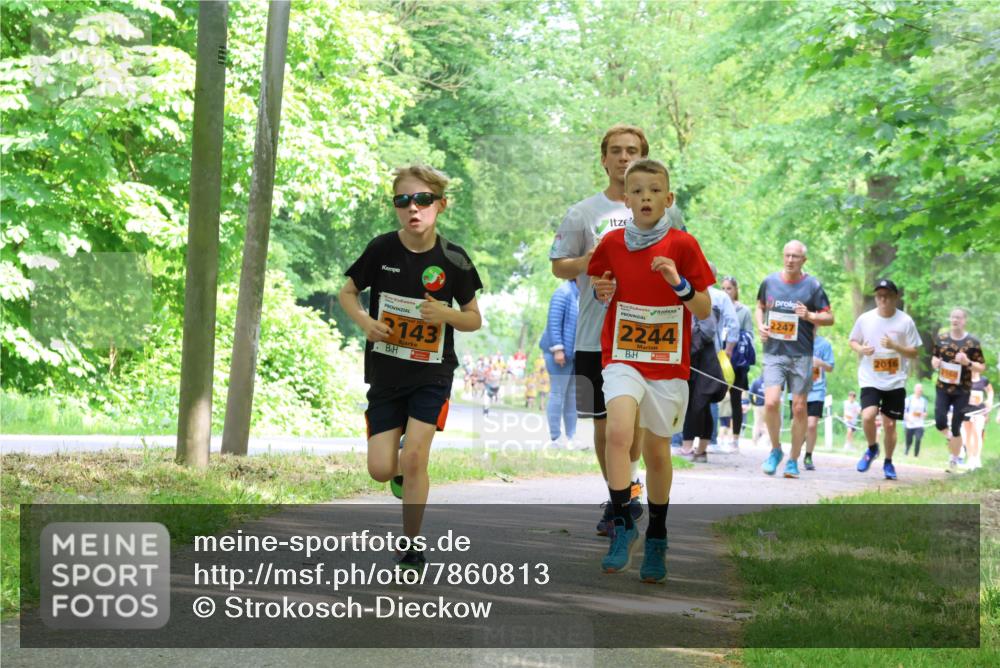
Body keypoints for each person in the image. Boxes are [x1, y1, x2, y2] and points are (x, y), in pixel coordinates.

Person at [338, 164, 482, 571]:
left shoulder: (454, 258)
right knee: (381, 469)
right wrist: (366, 322)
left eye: (422, 200)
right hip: (386, 375)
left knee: (416, 457)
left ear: (441, 204)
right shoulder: (382, 249)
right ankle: (399, 465)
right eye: (403, 201)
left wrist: (446, 314)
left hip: (431, 374)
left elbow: (474, 318)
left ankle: (412, 544)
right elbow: (347, 293)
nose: (412, 209)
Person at [550, 124, 683, 534]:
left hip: (649, 334)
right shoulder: (582, 213)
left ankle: (630, 484)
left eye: (632, 150)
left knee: (638, 429)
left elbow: (681, 262)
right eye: (616, 151)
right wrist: (591, 261)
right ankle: (617, 499)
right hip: (595, 332)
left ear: (642, 157)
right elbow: (558, 265)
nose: (624, 157)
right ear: (604, 159)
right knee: (605, 426)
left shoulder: (667, 210)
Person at [589, 158, 713, 580]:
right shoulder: (611, 243)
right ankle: (623, 522)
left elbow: (703, 307)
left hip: (667, 364)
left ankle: (657, 533)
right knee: (619, 432)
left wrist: (680, 283)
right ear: (626, 199)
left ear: (668, 198)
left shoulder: (683, 244)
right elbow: (598, 281)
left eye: (654, 190)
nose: (646, 197)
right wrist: (601, 287)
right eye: (637, 191)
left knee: (658, 452)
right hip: (622, 356)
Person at [755, 240, 834, 478]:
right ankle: (776, 449)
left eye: (795, 257)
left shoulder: (812, 286)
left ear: (803, 260)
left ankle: (793, 459)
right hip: (774, 352)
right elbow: (759, 307)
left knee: (799, 408)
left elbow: (829, 317)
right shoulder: (770, 282)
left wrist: (809, 315)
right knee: (770, 402)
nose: (790, 260)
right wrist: (761, 326)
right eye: (787, 255)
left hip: (801, 354)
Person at [848, 279, 922, 480]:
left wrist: (895, 346)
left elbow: (915, 352)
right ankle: (872, 448)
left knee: (890, 425)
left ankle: (888, 462)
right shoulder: (865, 319)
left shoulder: (905, 321)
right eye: (879, 295)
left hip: (895, 380)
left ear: (895, 297)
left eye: (887, 295)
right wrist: (861, 349)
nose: (883, 299)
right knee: (867, 416)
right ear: (875, 298)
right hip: (870, 378)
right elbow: (852, 340)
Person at [931, 308, 986, 472]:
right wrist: (935, 363)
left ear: (964, 320)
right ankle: (953, 441)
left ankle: (954, 459)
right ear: (950, 319)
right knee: (940, 421)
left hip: (963, 390)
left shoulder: (972, 343)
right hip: (943, 387)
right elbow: (934, 357)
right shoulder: (941, 339)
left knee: (956, 426)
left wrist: (968, 362)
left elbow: (981, 367)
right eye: (953, 317)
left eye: (959, 317)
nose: (955, 320)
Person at [539, 279, 579, 443]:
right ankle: (555, 438)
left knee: (572, 396)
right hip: (558, 353)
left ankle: (571, 437)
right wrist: (558, 349)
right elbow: (553, 322)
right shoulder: (563, 292)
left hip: (574, 354)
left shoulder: (582, 293)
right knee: (557, 393)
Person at [722, 276, 756, 452]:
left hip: (738, 360)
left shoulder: (744, 311)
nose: (726, 292)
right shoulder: (718, 306)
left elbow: (750, 334)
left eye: (729, 288)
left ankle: (735, 438)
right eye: (724, 288)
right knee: (714, 395)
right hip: (720, 356)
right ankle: (713, 437)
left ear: (736, 290)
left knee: (736, 398)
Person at [798, 334, 834, 471]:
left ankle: (808, 455)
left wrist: (820, 363)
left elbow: (830, 367)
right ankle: (795, 451)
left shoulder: (824, 344)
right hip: (798, 389)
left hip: (817, 390)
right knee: (799, 426)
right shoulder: (796, 340)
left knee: (812, 425)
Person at [962, 370, 993, 470]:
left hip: (979, 410)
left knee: (977, 432)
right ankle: (970, 458)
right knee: (968, 434)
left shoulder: (984, 380)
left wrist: (989, 400)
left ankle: (977, 458)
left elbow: (990, 391)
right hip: (967, 410)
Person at [903, 383, 927, 457]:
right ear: (915, 390)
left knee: (918, 438)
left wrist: (924, 415)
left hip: (919, 424)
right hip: (910, 423)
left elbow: (925, 412)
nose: (920, 390)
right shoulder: (909, 399)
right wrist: (907, 418)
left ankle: (916, 455)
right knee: (909, 441)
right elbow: (904, 411)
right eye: (918, 389)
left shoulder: (924, 401)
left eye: (921, 389)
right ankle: (907, 449)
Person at [749, 375, 767, 445]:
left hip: (758, 406)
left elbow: (751, 393)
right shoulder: (770, 381)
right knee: (768, 424)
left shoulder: (756, 382)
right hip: (768, 405)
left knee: (757, 424)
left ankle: (754, 441)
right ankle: (768, 442)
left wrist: (753, 402)